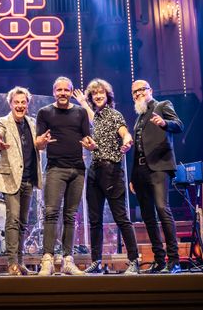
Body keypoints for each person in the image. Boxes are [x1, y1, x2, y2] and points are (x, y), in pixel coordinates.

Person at [73, 79, 139, 275]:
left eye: (101, 92)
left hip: (112, 171)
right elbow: (93, 117)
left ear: (107, 95)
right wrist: (82, 102)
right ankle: (96, 262)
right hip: (94, 171)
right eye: (94, 94)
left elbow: (125, 133)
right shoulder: (96, 117)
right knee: (95, 220)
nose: (98, 96)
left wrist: (127, 141)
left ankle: (134, 260)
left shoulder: (114, 115)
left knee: (121, 218)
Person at [35, 76, 95, 276]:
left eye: (66, 90)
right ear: (54, 92)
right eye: (59, 90)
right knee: (51, 213)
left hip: (77, 169)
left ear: (71, 92)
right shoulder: (45, 112)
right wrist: (41, 143)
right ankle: (47, 260)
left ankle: (68, 260)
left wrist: (91, 146)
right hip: (55, 169)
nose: (62, 93)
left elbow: (87, 138)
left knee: (71, 216)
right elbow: (38, 143)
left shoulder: (80, 112)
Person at [130, 80, 184, 274]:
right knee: (148, 216)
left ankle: (174, 261)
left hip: (159, 167)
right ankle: (160, 260)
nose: (138, 93)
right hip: (141, 171)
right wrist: (133, 176)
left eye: (141, 90)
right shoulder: (139, 117)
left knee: (162, 208)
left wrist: (164, 123)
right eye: (134, 92)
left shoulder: (162, 106)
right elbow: (137, 149)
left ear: (150, 90)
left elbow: (179, 125)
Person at [0, 86, 44, 276]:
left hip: (29, 178)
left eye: (23, 102)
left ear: (28, 104)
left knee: (23, 222)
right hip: (11, 179)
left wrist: (43, 143)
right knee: (13, 220)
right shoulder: (2, 121)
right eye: (16, 102)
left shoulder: (32, 123)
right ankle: (12, 262)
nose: (20, 105)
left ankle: (20, 262)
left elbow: (38, 145)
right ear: (10, 104)